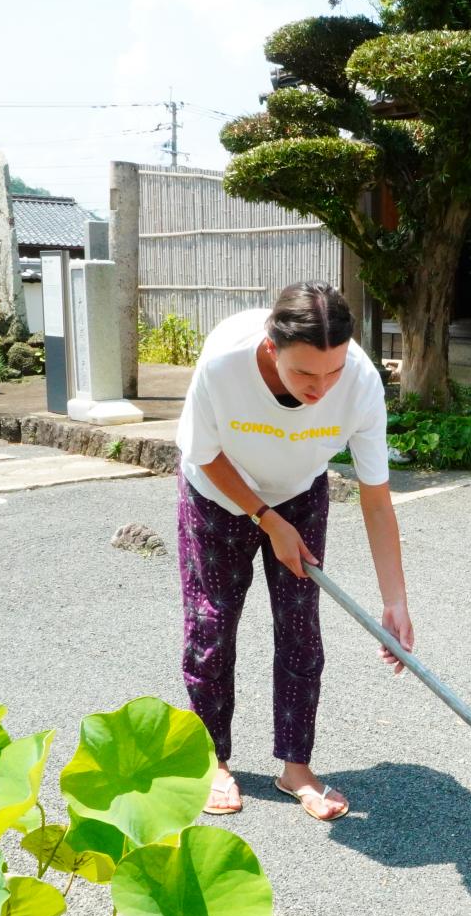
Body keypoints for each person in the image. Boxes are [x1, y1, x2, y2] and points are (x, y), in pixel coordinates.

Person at [175, 282, 413, 822]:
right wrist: (265, 517)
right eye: (305, 373)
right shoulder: (224, 364)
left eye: (332, 372)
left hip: (301, 493)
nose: (321, 388)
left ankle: (296, 766)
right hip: (218, 494)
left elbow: (377, 500)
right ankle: (211, 760)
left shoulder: (360, 382)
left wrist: (395, 601)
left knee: (301, 627)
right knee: (211, 627)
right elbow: (205, 455)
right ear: (270, 346)